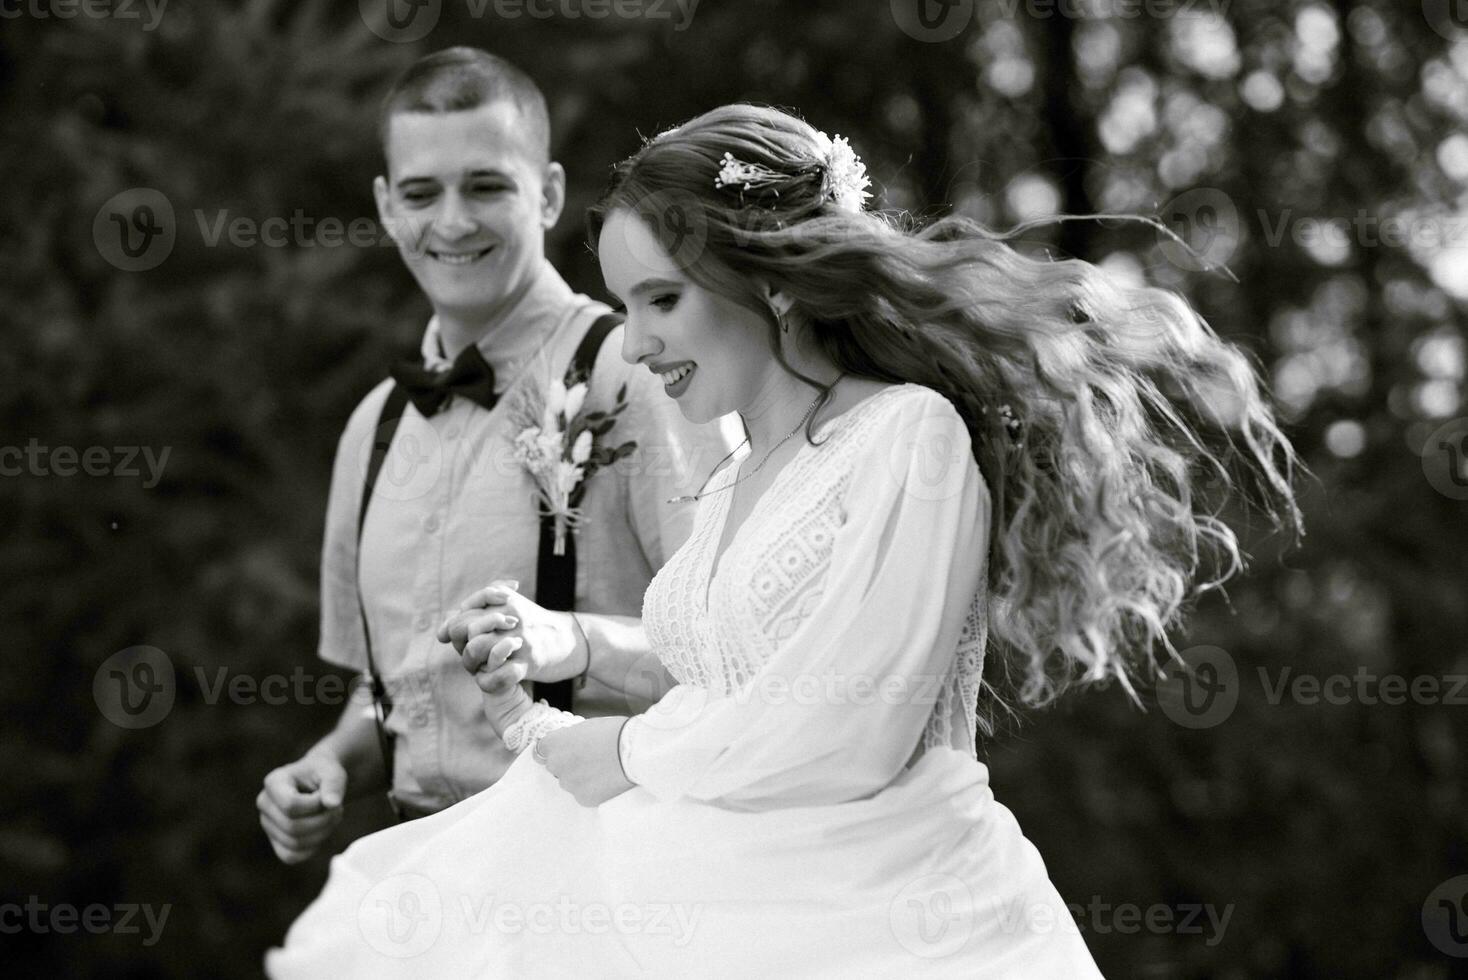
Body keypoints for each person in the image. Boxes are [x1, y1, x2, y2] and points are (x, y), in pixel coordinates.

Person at [265, 104, 1302, 976]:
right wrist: (568, 644)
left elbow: (842, 726)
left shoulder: (907, 435)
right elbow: (733, 660)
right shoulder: (737, 476)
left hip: (887, 918)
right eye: (626, 304)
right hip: (732, 893)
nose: (633, 340)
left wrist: (617, 748)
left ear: (769, 276)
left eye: (661, 298)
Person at [255, 48, 733, 861]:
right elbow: (393, 695)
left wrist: (567, 638)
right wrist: (330, 763)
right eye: (420, 192)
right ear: (384, 206)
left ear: (546, 192)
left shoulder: (644, 374)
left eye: (485, 185)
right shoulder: (373, 429)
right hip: (421, 887)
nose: (450, 221)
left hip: (604, 876)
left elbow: (735, 655)